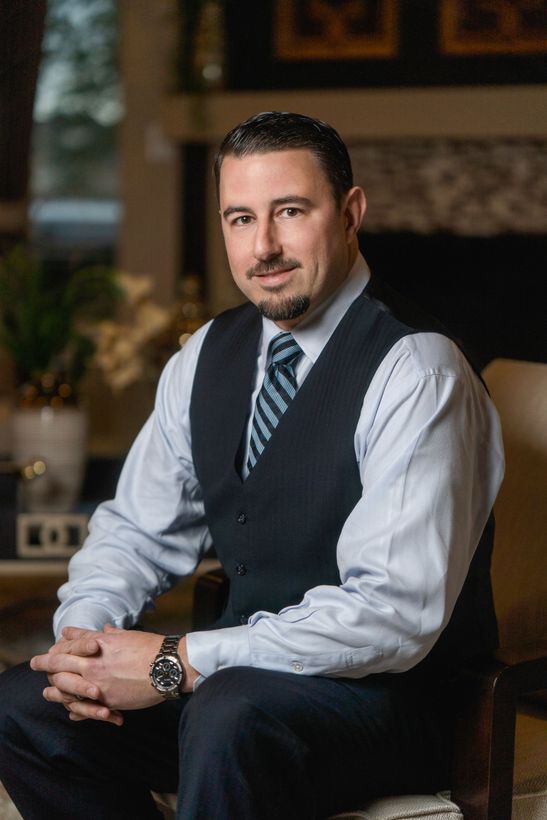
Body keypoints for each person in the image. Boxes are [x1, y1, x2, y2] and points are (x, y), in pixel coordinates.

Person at [0, 112, 504, 820]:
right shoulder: (206, 352)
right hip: (241, 688)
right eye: (239, 219)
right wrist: (84, 644)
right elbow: (136, 533)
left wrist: (176, 659)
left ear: (350, 213)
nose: (262, 246)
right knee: (25, 706)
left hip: (394, 705)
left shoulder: (416, 369)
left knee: (229, 716)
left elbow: (393, 614)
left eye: (289, 212)